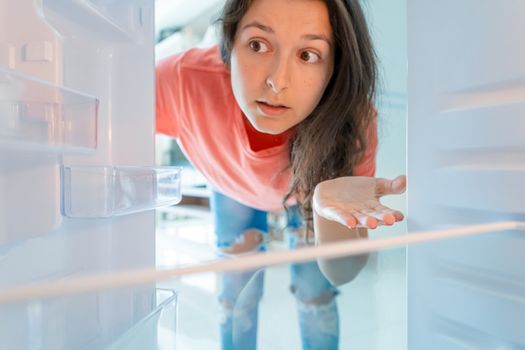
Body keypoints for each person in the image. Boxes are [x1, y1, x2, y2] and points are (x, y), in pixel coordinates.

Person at [156, 0, 406, 349]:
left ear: (335, 65)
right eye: (258, 45)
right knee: (234, 292)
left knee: (315, 293)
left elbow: (344, 271)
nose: (277, 81)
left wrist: (326, 215)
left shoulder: (353, 122)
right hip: (231, 185)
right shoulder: (184, 81)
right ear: (229, 40)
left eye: (308, 54)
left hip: (309, 194)